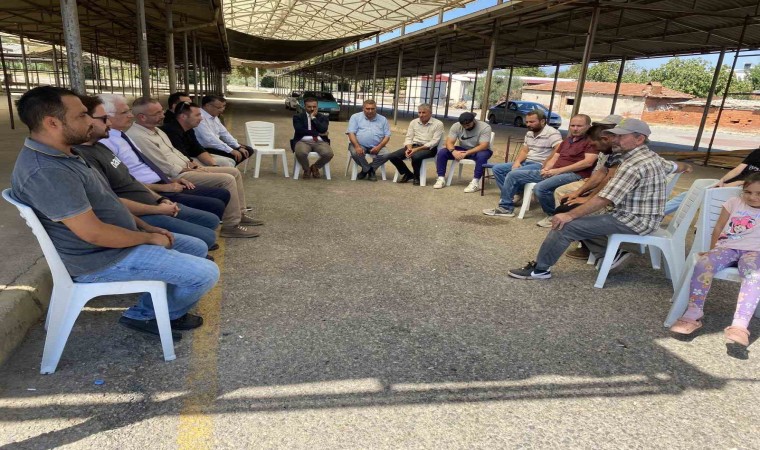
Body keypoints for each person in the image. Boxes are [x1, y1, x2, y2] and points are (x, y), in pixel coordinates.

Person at [11, 86, 219, 339]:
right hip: (99, 259)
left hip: (118, 242)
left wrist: (147, 227)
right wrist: (149, 238)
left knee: (196, 248)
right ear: (52, 122)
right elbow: (94, 233)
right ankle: (145, 314)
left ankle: (163, 305)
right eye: (82, 115)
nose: (90, 121)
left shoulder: (68, 153)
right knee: (206, 273)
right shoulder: (48, 171)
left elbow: (108, 202)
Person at [507, 118, 670, 280]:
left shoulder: (633, 164)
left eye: (620, 136)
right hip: (638, 216)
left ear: (639, 139)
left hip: (633, 220)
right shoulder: (649, 156)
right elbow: (672, 166)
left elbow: (604, 198)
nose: (614, 140)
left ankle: (540, 270)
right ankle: (612, 255)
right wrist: (683, 167)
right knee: (578, 214)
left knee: (565, 225)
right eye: (615, 135)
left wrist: (569, 215)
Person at [76, 95, 219, 252]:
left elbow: (131, 180)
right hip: (142, 209)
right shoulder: (86, 156)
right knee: (203, 242)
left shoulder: (101, 146)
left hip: (153, 197)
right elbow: (112, 202)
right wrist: (156, 211)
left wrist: (161, 199)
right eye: (104, 119)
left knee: (211, 221)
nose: (109, 123)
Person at [125, 97, 262, 238]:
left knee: (234, 172)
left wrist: (191, 163)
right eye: (157, 113)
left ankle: (239, 213)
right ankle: (231, 225)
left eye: (161, 111)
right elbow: (160, 164)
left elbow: (174, 151)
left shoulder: (157, 131)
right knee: (227, 179)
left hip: (185, 168)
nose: (163, 115)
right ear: (142, 117)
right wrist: (186, 169)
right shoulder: (139, 136)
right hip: (176, 176)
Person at [98, 93, 230, 221]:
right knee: (215, 205)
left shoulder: (123, 136)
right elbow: (123, 182)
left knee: (221, 194)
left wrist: (176, 176)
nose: (130, 115)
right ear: (106, 117)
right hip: (152, 188)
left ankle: (225, 221)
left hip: (163, 181)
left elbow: (169, 154)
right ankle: (229, 224)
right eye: (124, 112)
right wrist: (163, 189)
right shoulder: (110, 142)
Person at [669, 173, 760, 349]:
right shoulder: (734, 202)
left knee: (754, 276)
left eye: (759, 193)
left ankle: (740, 325)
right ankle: (693, 313)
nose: (752, 197)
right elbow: (718, 227)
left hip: (755, 252)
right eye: (748, 192)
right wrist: (712, 250)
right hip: (727, 248)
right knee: (703, 264)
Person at [483, 114, 596, 225]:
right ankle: (505, 208)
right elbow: (555, 157)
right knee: (513, 174)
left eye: (579, 126)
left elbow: (588, 162)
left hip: (574, 174)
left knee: (540, 188)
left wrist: (557, 171)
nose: (575, 128)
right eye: (572, 125)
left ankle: (552, 215)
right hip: (554, 171)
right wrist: (547, 169)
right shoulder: (568, 140)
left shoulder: (591, 142)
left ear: (588, 126)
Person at [489, 109, 563, 200]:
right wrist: (517, 162)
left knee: (514, 173)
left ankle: (507, 200)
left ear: (542, 121)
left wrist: (547, 161)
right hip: (527, 162)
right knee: (497, 169)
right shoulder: (529, 133)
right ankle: (515, 194)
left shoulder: (552, 133)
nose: (528, 124)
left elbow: (559, 148)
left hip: (539, 164)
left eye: (532, 122)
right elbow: (525, 151)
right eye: (527, 122)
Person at [161, 101, 235, 168]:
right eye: (197, 115)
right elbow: (182, 157)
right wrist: (210, 170)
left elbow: (197, 149)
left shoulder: (189, 129)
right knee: (226, 166)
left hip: (190, 158)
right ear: (183, 116)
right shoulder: (171, 131)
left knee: (229, 162)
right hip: (181, 164)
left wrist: (214, 165)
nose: (201, 118)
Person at [384, 103, 444, 185]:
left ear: (430, 113)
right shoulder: (414, 122)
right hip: (413, 146)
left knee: (415, 156)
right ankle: (408, 174)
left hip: (429, 148)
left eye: (424, 112)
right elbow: (409, 137)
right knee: (392, 156)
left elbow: (434, 142)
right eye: (419, 112)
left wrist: (416, 150)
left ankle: (417, 176)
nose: (421, 115)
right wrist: (409, 148)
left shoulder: (438, 124)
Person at [433, 112, 494, 193]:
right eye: (463, 125)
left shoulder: (485, 127)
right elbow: (449, 142)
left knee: (482, 156)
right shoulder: (456, 126)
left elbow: (484, 145)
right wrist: (453, 151)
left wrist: (467, 153)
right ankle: (441, 178)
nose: (466, 127)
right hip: (463, 149)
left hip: (480, 150)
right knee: (442, 152)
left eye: (468, 125)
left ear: (474, 121)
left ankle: (475, 182)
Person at [195, 95, 254, 165]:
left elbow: (224, 133)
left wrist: (237, 146)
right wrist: (231, 150)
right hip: (204, 147)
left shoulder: (214, 116)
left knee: (247, 150)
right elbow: (210, 139)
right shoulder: (199, 117)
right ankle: (225, 168)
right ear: (207, 106)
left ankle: (227, 167)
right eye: (219, 107)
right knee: (234, 155)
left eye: (224, 106)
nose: (222, 109)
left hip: (215, 144)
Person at [346, 99, 391, 181]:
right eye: (367, 109)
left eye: (372, 109)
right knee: (355, 152)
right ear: (363, 108)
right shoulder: (355, 117)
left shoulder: (383, 119)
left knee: (387, 154)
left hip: (377, 146)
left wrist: (379, 147)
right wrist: (357, 146)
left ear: (376, 108)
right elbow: (351, 133)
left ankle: (366, 170)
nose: (370, 111)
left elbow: (387, 136)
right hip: (359, 144)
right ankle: (369, 170)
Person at [290, 96, 334, 179]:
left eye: (314, 106)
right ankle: (307, 169)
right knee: (301, 153)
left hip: (320, 142)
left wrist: (313, 118)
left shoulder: (323, 117)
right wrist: (318, 133)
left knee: (328, 154)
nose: (312, 109)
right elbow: (299, 130)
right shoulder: (298, 117)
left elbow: (323, 129)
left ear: (317, 106)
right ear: (304, 106)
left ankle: (315, 167)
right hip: (302, 141)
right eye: (309, 107)